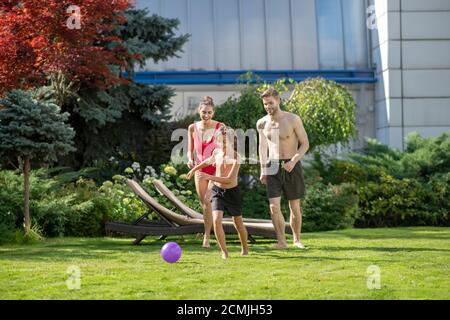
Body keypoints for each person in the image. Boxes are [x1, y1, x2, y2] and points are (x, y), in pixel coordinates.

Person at [256, 88, 309, 249]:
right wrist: (263, 169)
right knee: (273, 206)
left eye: (270, 103)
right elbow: (262, 147)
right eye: (265, 104)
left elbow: (305, 144)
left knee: (294, 206)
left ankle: (296, 239)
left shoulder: (293, 119)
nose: (268, 107)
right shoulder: (262, 123)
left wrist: (293, 161)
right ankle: (281, 242)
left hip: (291, 165)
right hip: (272, 165)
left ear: (278, 100)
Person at [186, 126, 249, 259]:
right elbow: (206, 162)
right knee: (216, 220)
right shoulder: (216, 153)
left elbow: (229, 179)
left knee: (238, 223)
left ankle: (245, 247)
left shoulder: (237, 158)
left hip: (232, 193)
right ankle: (224, 252)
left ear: (232, 142)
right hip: (217, 192)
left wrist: (209, 177)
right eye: (219, 142)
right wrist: (194, 170)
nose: (222, 145)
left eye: (225, 142)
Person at [187, 96, 224, 248]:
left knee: (209, 200)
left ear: (213, 112)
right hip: (200, 169)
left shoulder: (219, 127)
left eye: (209, 112)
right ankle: (208, 236)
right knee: (205, 204)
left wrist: (219, 156)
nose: (206, 115)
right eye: (204, 112)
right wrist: (189, 159)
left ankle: (210, 236)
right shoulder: (192, 128)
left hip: (215, 168)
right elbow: (190, 150)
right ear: (199, 111)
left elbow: (222, 147)